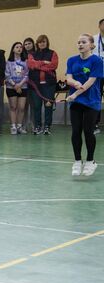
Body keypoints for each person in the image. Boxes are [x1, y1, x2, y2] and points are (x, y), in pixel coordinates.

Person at [66, 34, 103, 176]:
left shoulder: (96, 61)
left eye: (84, 42)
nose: (80, 44)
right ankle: (77, 161)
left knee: (88, 131)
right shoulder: (72, 60)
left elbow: (91, 81)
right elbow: (69, 77)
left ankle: (90, 160)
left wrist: (75, 94)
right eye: (78, 42)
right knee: (76, 131)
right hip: (76, 102)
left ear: (91, 45)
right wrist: (74, 83)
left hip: (91, 101)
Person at [28, 34, 58, 135]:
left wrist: (38, 65)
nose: (42, 44)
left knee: (48, 105)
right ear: (37, 43)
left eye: (43, 42)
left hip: (49, 84)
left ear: (47, 43)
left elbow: (54, 65)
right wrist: (44, 63)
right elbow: (31, 65)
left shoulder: (53, 53)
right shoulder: (32, 54)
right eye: (40, 42)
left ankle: (47, 127)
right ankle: (37, 126)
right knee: (36, 106)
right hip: (35, 85)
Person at [5, 42, 29, 135]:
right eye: (17, 47)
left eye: (20, 47)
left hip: (23, 87)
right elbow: (7, 75)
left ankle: (19, 126)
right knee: (13, 107)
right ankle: (13, 126)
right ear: (13, 49)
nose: (19, 48)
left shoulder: (25, 62)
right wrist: (15, 85)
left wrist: (20, 84)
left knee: (22, 107)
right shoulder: (9, 62)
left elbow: (27, 75)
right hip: (11, 87)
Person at [22, 37, 36, 133]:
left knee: (34, 105)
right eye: (25, 44)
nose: (27, 46)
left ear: (33, 44)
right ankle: (23, 126)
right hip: (23, 83)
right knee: (24, 106)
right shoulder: (21, 56)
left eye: (29, 43)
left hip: (34, 83)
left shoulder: (37, 54)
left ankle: (35, 125)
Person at [93, 19, 104, 134]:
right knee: (97, 97)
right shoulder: (93, 39)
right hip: (97, 74)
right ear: (99, 25)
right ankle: (95, 124)